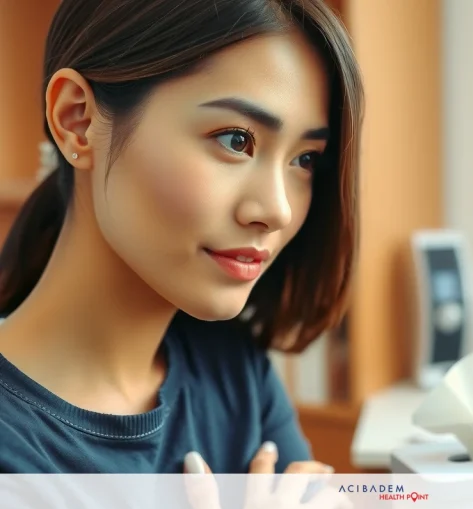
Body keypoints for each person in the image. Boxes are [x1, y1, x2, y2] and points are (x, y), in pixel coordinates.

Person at [0, 0, 363, 480]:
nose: (279, 210)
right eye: (236, 139)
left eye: (305, 160)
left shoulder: (233, 370)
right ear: (78, 120)